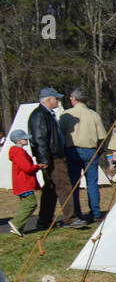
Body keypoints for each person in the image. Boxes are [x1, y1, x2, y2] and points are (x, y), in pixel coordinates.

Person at [26, 87, 84, 230]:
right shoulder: (40, 115)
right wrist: (45, 159)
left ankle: (44, 220)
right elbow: (40, 139)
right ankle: (70, 218)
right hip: (53, 157)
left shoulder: (46, 114)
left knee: (50, 189)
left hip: (52, 156)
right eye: (55, 98)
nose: (58, 101)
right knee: (64, 186)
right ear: (48, 100)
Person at [60, 87, 106, 222]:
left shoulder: (65, 115)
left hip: (72, 151)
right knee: (92, 183)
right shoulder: (94, 115)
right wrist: (98, 152)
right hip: (91, 150)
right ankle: (95, 212)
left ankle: (77, 213)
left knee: (74, 184)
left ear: (74, 99)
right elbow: (102, 137)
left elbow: (60, 135)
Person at [7, 129, 40, 236]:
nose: (27, 140)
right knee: (31, 203)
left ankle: (18, 228)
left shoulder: (17, 152)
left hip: (22, 182)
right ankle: (16, 223)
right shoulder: (19, 152)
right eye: (25, 138)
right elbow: (27, 168)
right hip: (24, 182)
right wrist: (38, 166)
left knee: (26, 204)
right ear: (19, 140)